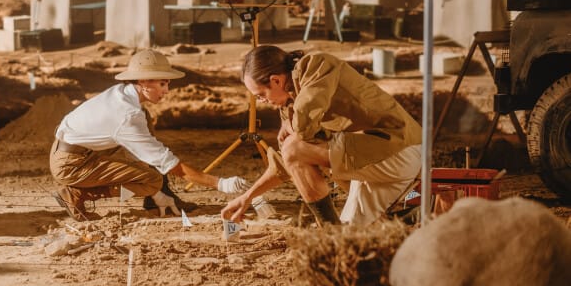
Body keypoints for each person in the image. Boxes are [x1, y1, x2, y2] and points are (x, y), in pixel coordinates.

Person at [221, 45, 422, 226]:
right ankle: (414, 209)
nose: (263, 102)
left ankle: (329, 231)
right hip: (373, 163)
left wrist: (289, 125)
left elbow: (302, 129)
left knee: (295, 147)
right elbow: (286, 164)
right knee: (353, 240)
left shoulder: (316, 66)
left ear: (276, 80)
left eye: (261, 95)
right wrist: (247, 197)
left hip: (398, 150)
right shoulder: (290, 102)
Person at [49, 49, 249, 221]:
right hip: (71, 165)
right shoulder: (127, 114)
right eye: (162, 84)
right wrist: (220, 183)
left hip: (74, 151)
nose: (167, 91)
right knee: (152, 181)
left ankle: (156, 195)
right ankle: (77, 193)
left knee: (147, 140)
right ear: (144, 81)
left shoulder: (122, 94)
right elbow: (167, 163)